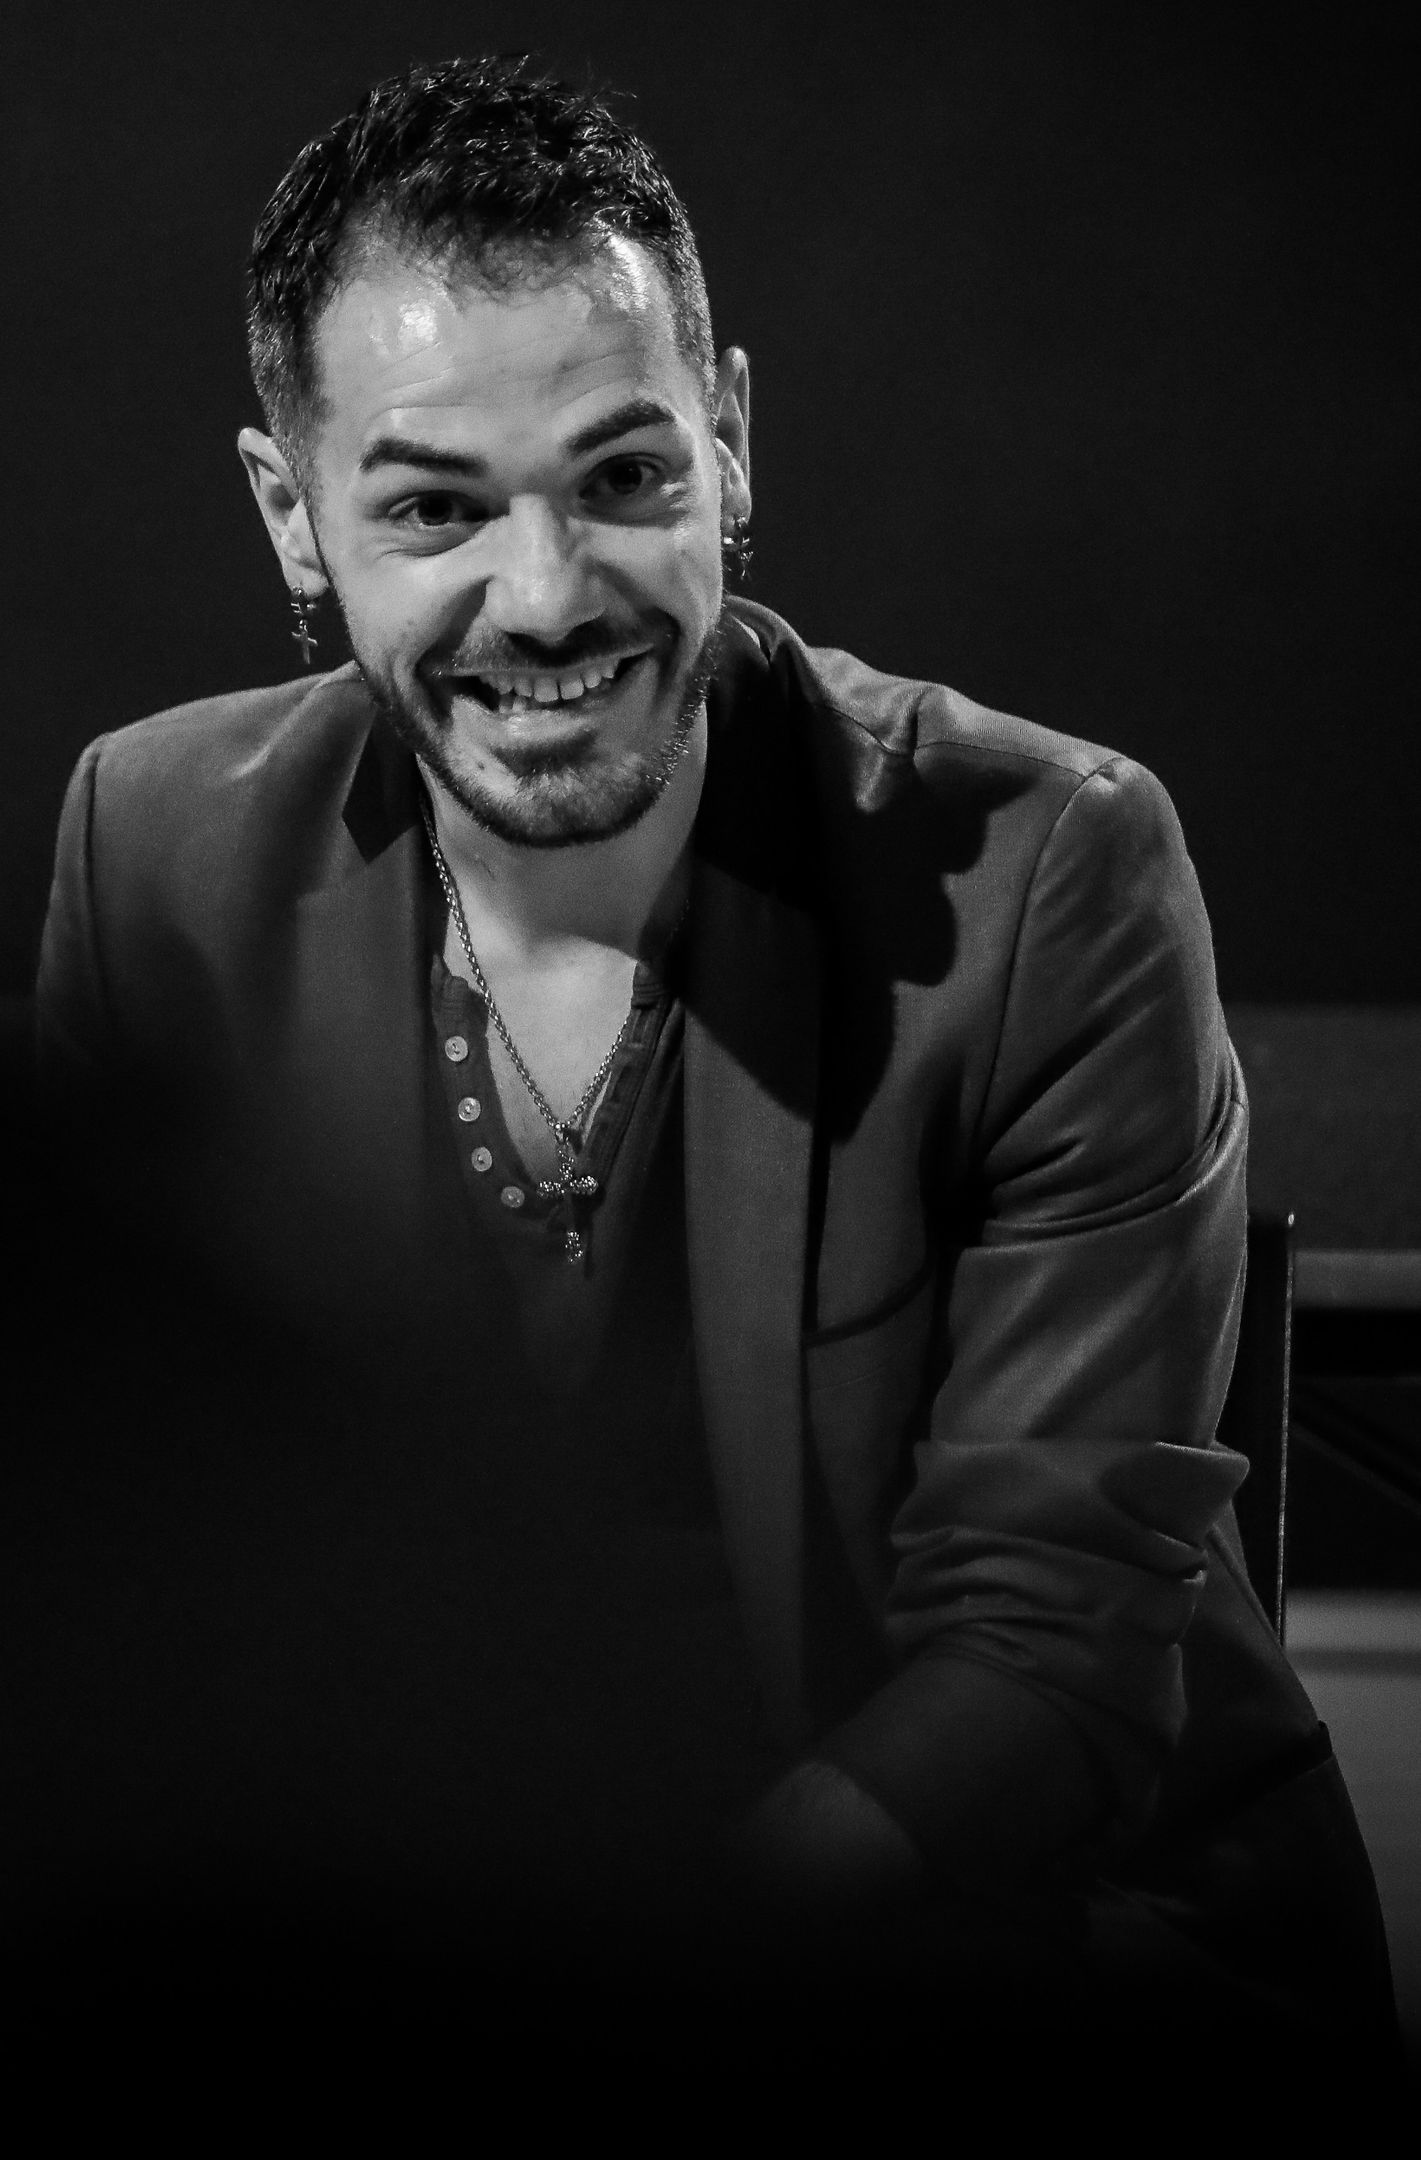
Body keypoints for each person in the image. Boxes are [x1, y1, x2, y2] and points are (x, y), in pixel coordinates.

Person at [24, 55, 1397, 2064]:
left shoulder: (1053, 870)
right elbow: (114, 1574)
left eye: (623, 479)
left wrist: (640, 1986)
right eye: (433, 507)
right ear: (292, 516)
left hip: (1008, 1939)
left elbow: (1044, 1657)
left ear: (729, 444)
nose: (546, 595)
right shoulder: (151, 847)